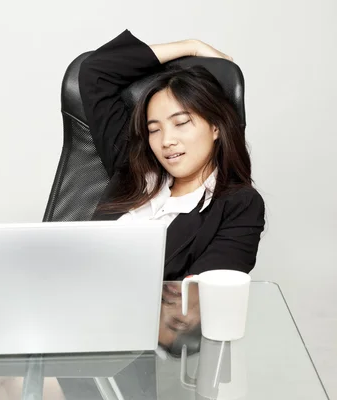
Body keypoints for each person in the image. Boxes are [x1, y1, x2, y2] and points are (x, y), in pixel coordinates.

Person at [78, 29, 265, 280]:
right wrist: (191, 46)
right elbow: (96, 72)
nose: (166, 141)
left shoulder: (238, 205)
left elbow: (194, 305)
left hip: (141, 318)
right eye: (154, 129)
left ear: (216, 127)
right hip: (69, 301)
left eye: (181, 123)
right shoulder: (132, 170)